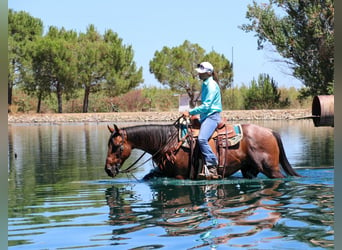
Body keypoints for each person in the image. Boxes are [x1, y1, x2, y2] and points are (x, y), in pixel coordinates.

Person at [183, 62, 222, 180]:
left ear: (209, 73)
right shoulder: (206, 84)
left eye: (202, 72)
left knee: (202, 139)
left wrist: (190, 112)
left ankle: (212, 165)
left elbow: (206, 106)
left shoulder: (211, 86)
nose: (199, 74)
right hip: (205, 116)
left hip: (212, 116)